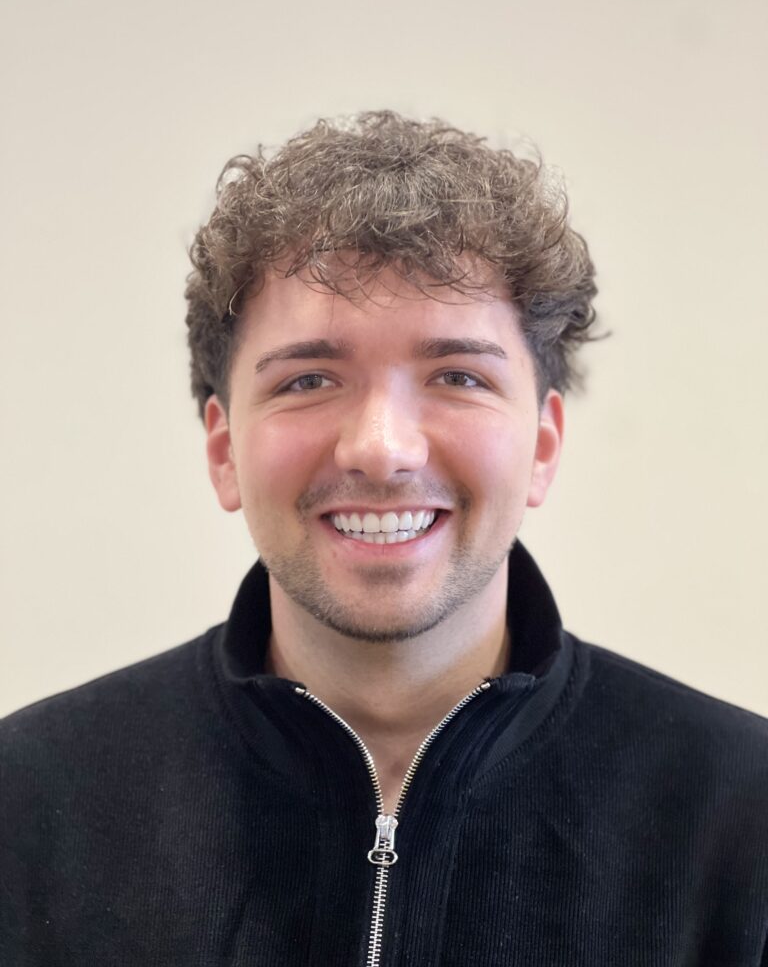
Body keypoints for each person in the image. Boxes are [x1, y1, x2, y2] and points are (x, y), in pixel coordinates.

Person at [1, 112, 766, 966]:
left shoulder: (741, 813)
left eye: (458, 376)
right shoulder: (29, 802)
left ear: (544, 447)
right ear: (223, 451)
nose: (381, 448)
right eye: (309, 380)